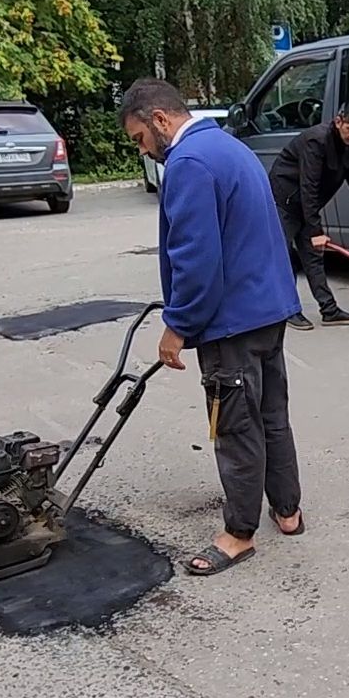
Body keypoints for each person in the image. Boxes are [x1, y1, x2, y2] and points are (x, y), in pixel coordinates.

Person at [121, 78, 306, 576]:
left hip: (231, 323)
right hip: (268, 309)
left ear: (160, 120)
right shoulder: (227, 146)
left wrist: (177, 325)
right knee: (271, 415)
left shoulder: (187, 163)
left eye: (140, 139)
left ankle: (238, 534)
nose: (145, 151)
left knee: (234, 427)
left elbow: (197, 258)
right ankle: (287, 511)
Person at [268, 102, 349, 330]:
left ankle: (329, 310)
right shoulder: (316, 141)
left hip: (307, 203)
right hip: (285, 200)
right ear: (338, 122)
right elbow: (309, 185)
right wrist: (315, 230)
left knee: (314, 257)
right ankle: (289, 310)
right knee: (285, 257)